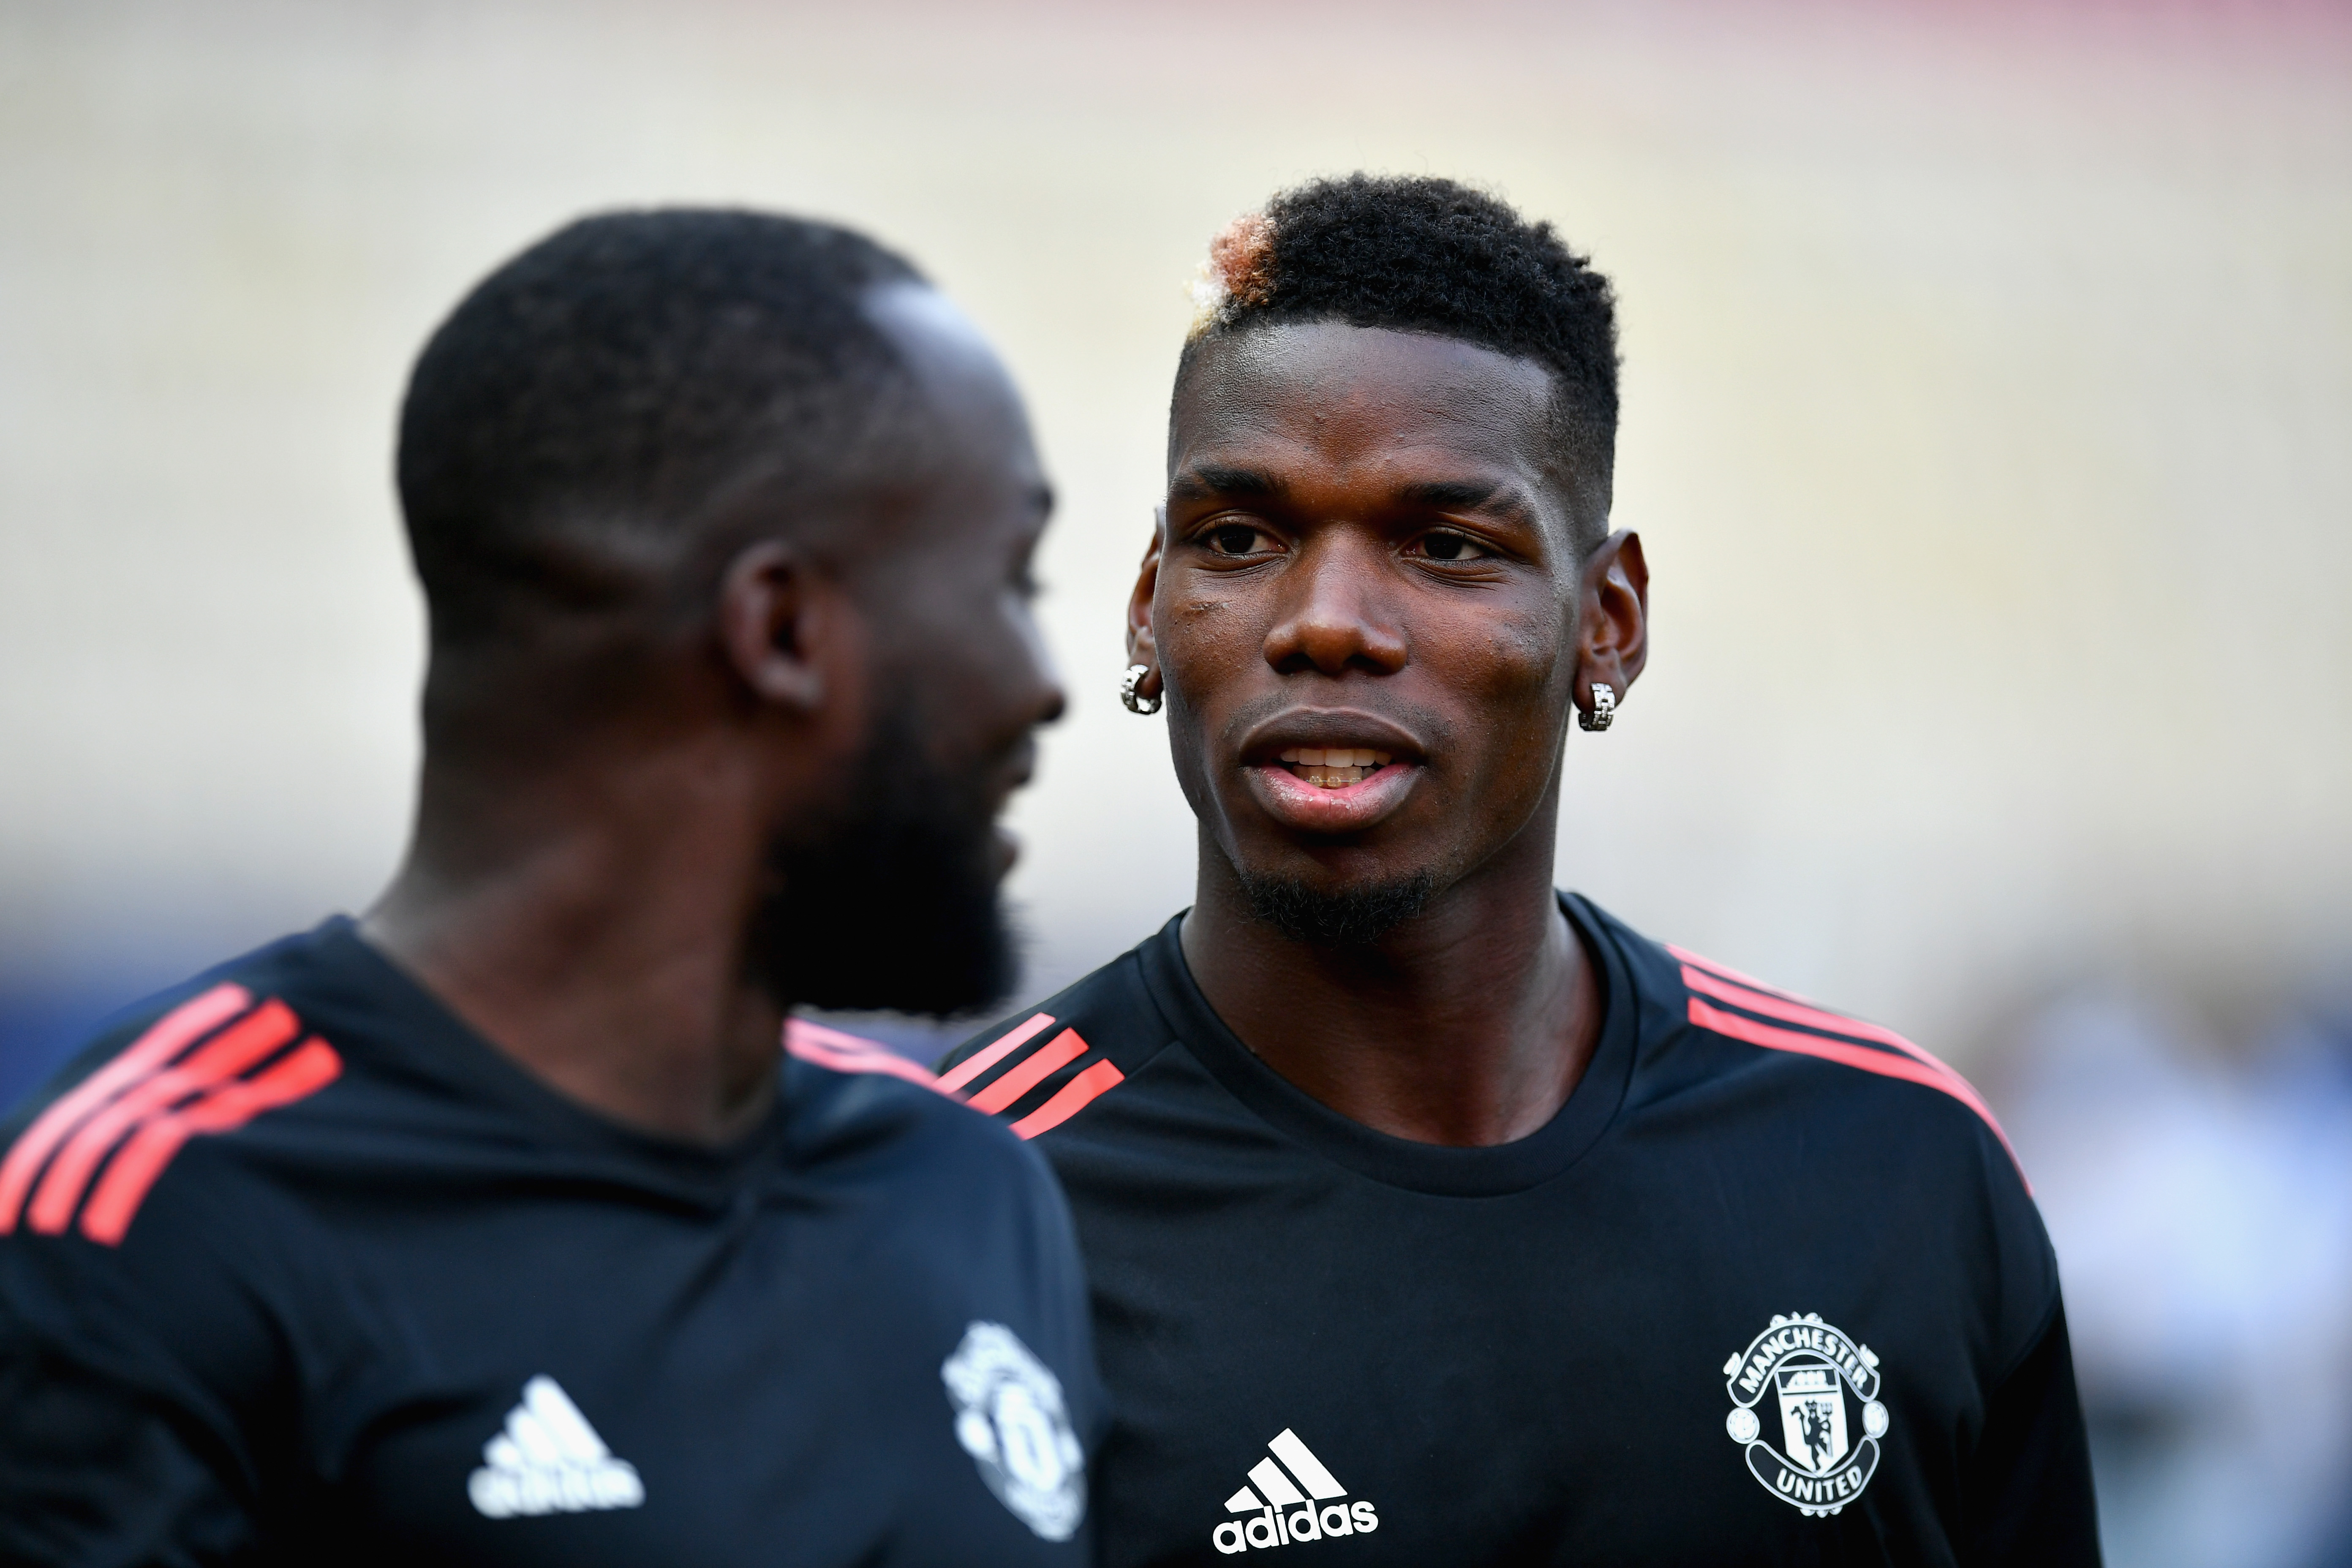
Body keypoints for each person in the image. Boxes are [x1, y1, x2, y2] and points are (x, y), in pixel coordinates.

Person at [940, 176, 2100, 1565]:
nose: (1327, 626)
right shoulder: (954, 1216)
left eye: (1447, 547)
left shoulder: (1901, 1171)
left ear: (1605, 623)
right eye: (1240, 540)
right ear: (1147, 611)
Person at [0, 210, 1098, 1565]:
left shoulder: (968, 1184)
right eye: (1013, 577)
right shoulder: (153, 1227)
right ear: (783, 632)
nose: (1046, 682)